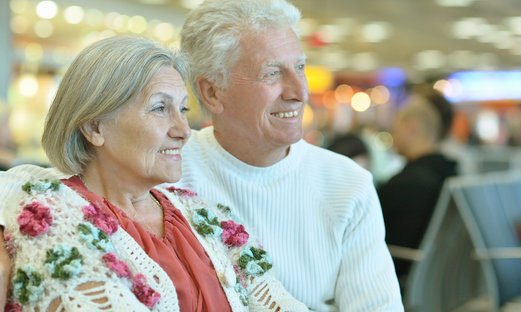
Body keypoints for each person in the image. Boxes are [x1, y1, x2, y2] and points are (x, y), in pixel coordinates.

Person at [0, 36, 307, 311]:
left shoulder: (199, 213)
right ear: (94, 127)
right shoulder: (51, 216)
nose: (184, 130)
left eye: (183, 110)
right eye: (160, 108)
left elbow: (277, 301)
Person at [175, 0, 403, 311]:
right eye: (272, 73)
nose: (300, 92)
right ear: (212, 92)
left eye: (299, 67)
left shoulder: (347, 185)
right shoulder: (166, 176)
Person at [377, 87, 458, 281]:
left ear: (411, 128)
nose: (393, 138)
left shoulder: (406, 185)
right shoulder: (450, 174)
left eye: (395, 129)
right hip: (437, 281)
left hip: (397, 281)